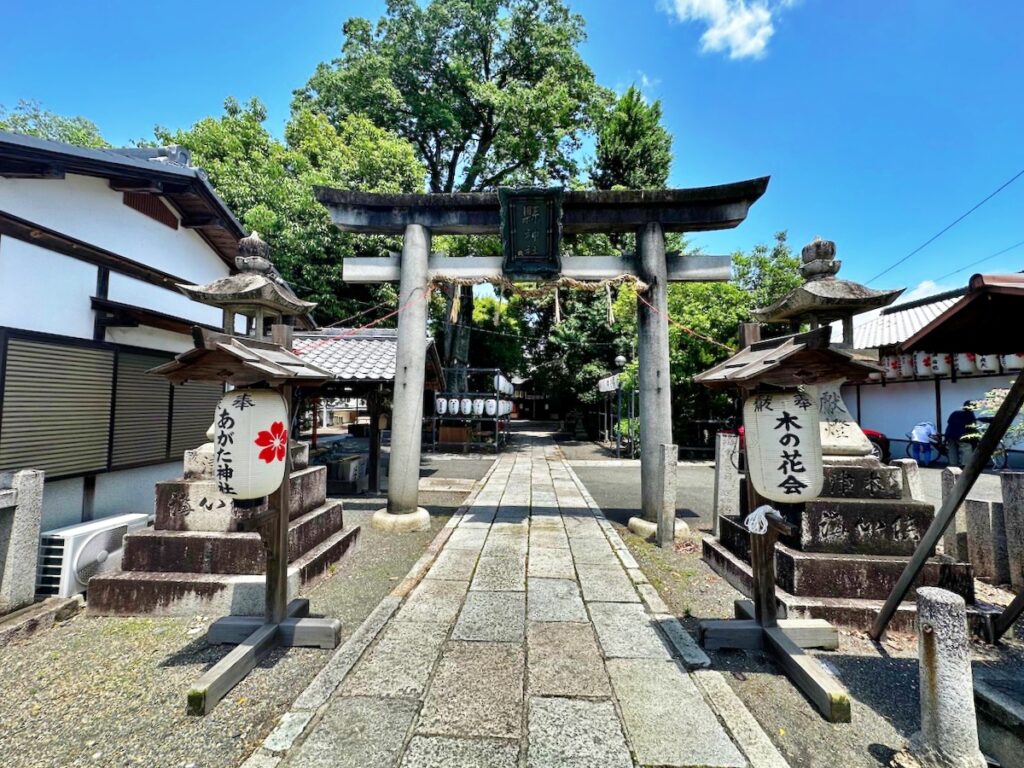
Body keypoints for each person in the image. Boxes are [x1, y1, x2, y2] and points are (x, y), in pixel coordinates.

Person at [945, 401, 976, 467]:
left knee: (952, 450)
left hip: (950, 434)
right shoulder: (970, 415)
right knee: (966, 448)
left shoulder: (955, 413)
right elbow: (972, 428)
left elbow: (949, 422)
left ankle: (953, 465)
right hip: (962, 435)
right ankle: (965, 465)